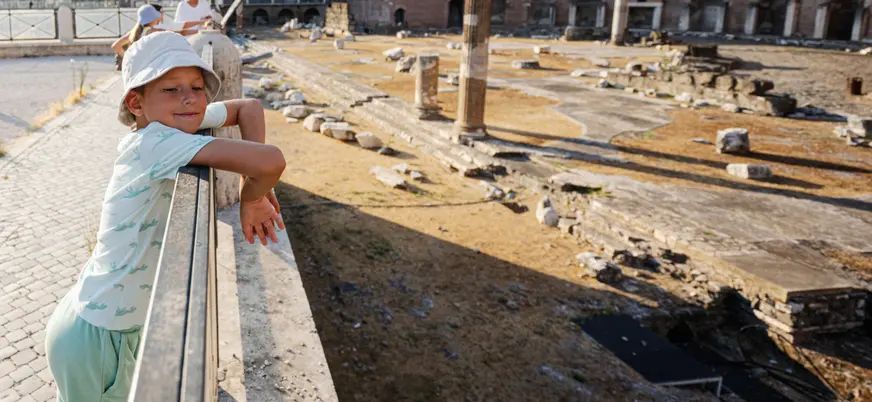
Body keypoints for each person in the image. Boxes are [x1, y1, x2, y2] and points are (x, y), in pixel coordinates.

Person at [45, 31, 287, 401]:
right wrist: (251, 196)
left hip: (105, 316)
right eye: (170, 89)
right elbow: (270, 160)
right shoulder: (157, 142)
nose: (189, 98)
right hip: (99, 336)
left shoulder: (170, 122)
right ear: (136, 103)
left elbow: (249, 107)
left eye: (196, 85)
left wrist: (251, 186)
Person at [111, 4, 207, 69]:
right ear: (153, 17)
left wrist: (129, 58)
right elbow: (181, 33)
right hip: (150, 66)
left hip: (139, 66)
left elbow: (115, 46)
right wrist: (201, 30)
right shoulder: (153, 31)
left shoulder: (134, 31)